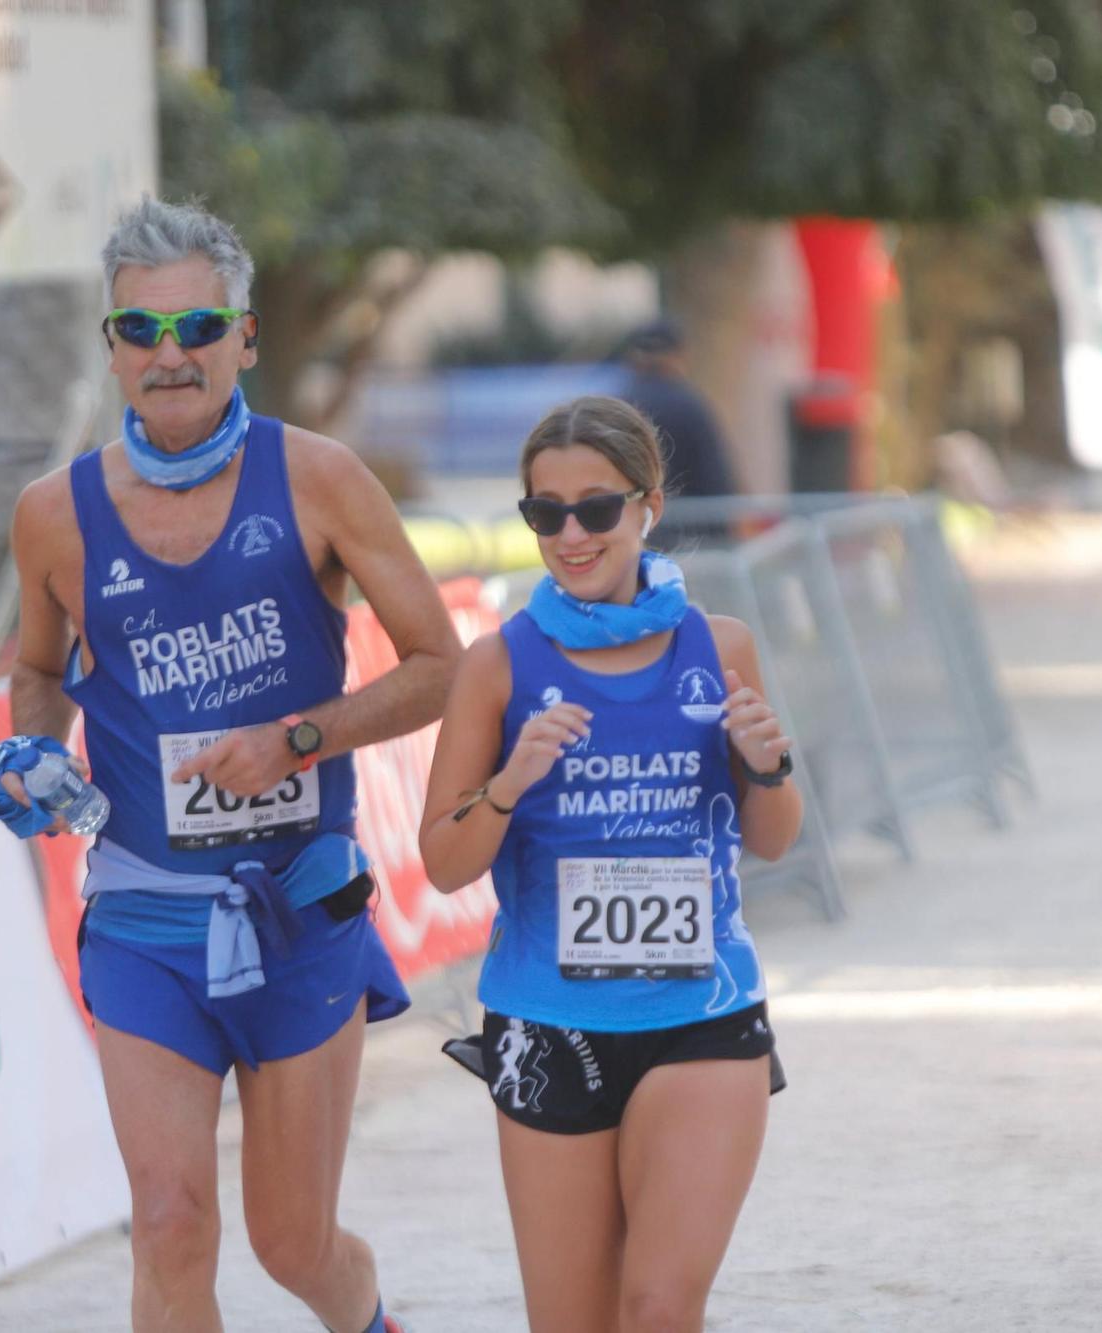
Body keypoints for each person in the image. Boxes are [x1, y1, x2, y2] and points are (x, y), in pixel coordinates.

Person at [0, 197, 459, 1333]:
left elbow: (442, 664)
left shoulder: (321, 479)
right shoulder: (53, 515)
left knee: (293, 1243)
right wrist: (31, 752)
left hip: (297, 908)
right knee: (168, 1221)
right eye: (139, 332)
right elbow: (38, 673)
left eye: (196, 327)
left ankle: (372, 1321)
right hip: (146, 917)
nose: (169, 355)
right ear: (110, 349)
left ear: (244, 337)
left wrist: (301, 737)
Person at [418, 395, 803, 1331]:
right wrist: (509, 782)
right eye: (545, 513)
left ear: (649, 506)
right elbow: (441, 861)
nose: (571, 534)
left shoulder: (720, 647)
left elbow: (777, 836)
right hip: (551, 1021)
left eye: (596, 508)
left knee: (662, 1308)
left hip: (701, 1015)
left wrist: (770, 763)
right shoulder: (499, 664)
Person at [615, 320, 738, 522]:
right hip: (693, 532)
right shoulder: (690, 405)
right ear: (677, 355)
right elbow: (716, 480)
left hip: (632, 526)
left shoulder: (619, 405)